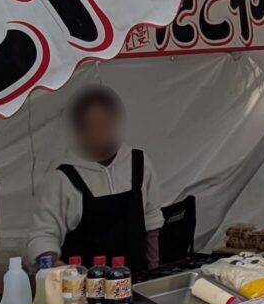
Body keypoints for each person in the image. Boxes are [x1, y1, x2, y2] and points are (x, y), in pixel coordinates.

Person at [29, 86, 163, 269]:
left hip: (138, 277)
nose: (100, 133)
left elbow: (152, 221)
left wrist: (154, 271)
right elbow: (43, 235)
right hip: (83, 283)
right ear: (79, 130)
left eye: (106, 124)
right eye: (92, 126)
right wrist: (55, 265)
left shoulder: (139, 162)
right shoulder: (63, 176)